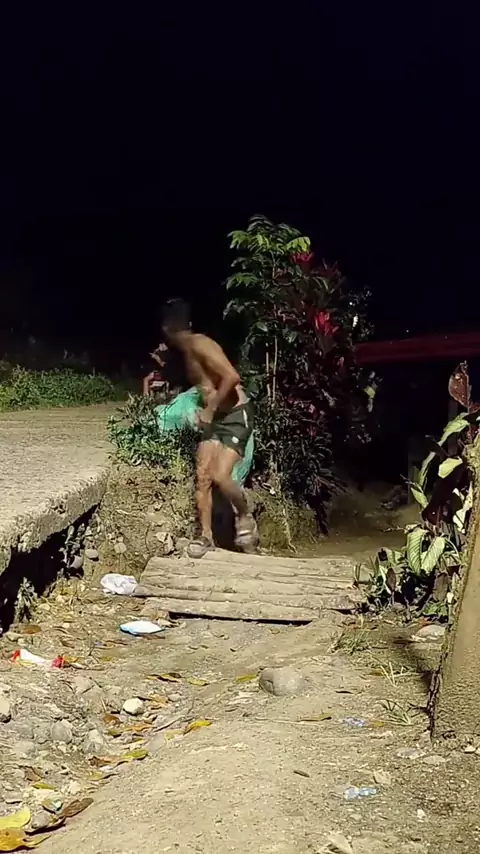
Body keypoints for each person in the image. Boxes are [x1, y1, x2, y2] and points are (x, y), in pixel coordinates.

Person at [162, 298, 256, 558]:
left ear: (167, 328)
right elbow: (206, 387)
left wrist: (210, 410)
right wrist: (202, 410)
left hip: (235, 415)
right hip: (214, 418)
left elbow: (232, 377)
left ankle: (245, 515)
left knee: (220, 476)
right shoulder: (187, 353)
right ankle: (206, 537)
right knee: (203, 476)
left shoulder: (200, 344)